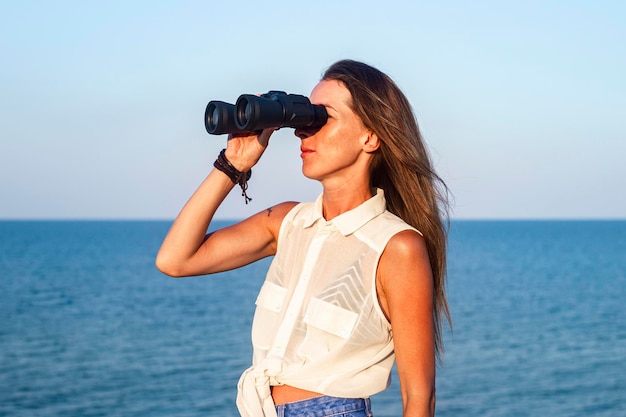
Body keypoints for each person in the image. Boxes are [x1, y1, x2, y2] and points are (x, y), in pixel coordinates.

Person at [156, 59, 451, 417]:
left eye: (321, 118)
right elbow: (174, 259)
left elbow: (419, 398)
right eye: (304, 119)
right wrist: (232, 165)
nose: (302, 132)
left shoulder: (396, 247)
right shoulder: (286, 223)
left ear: (370, 137)